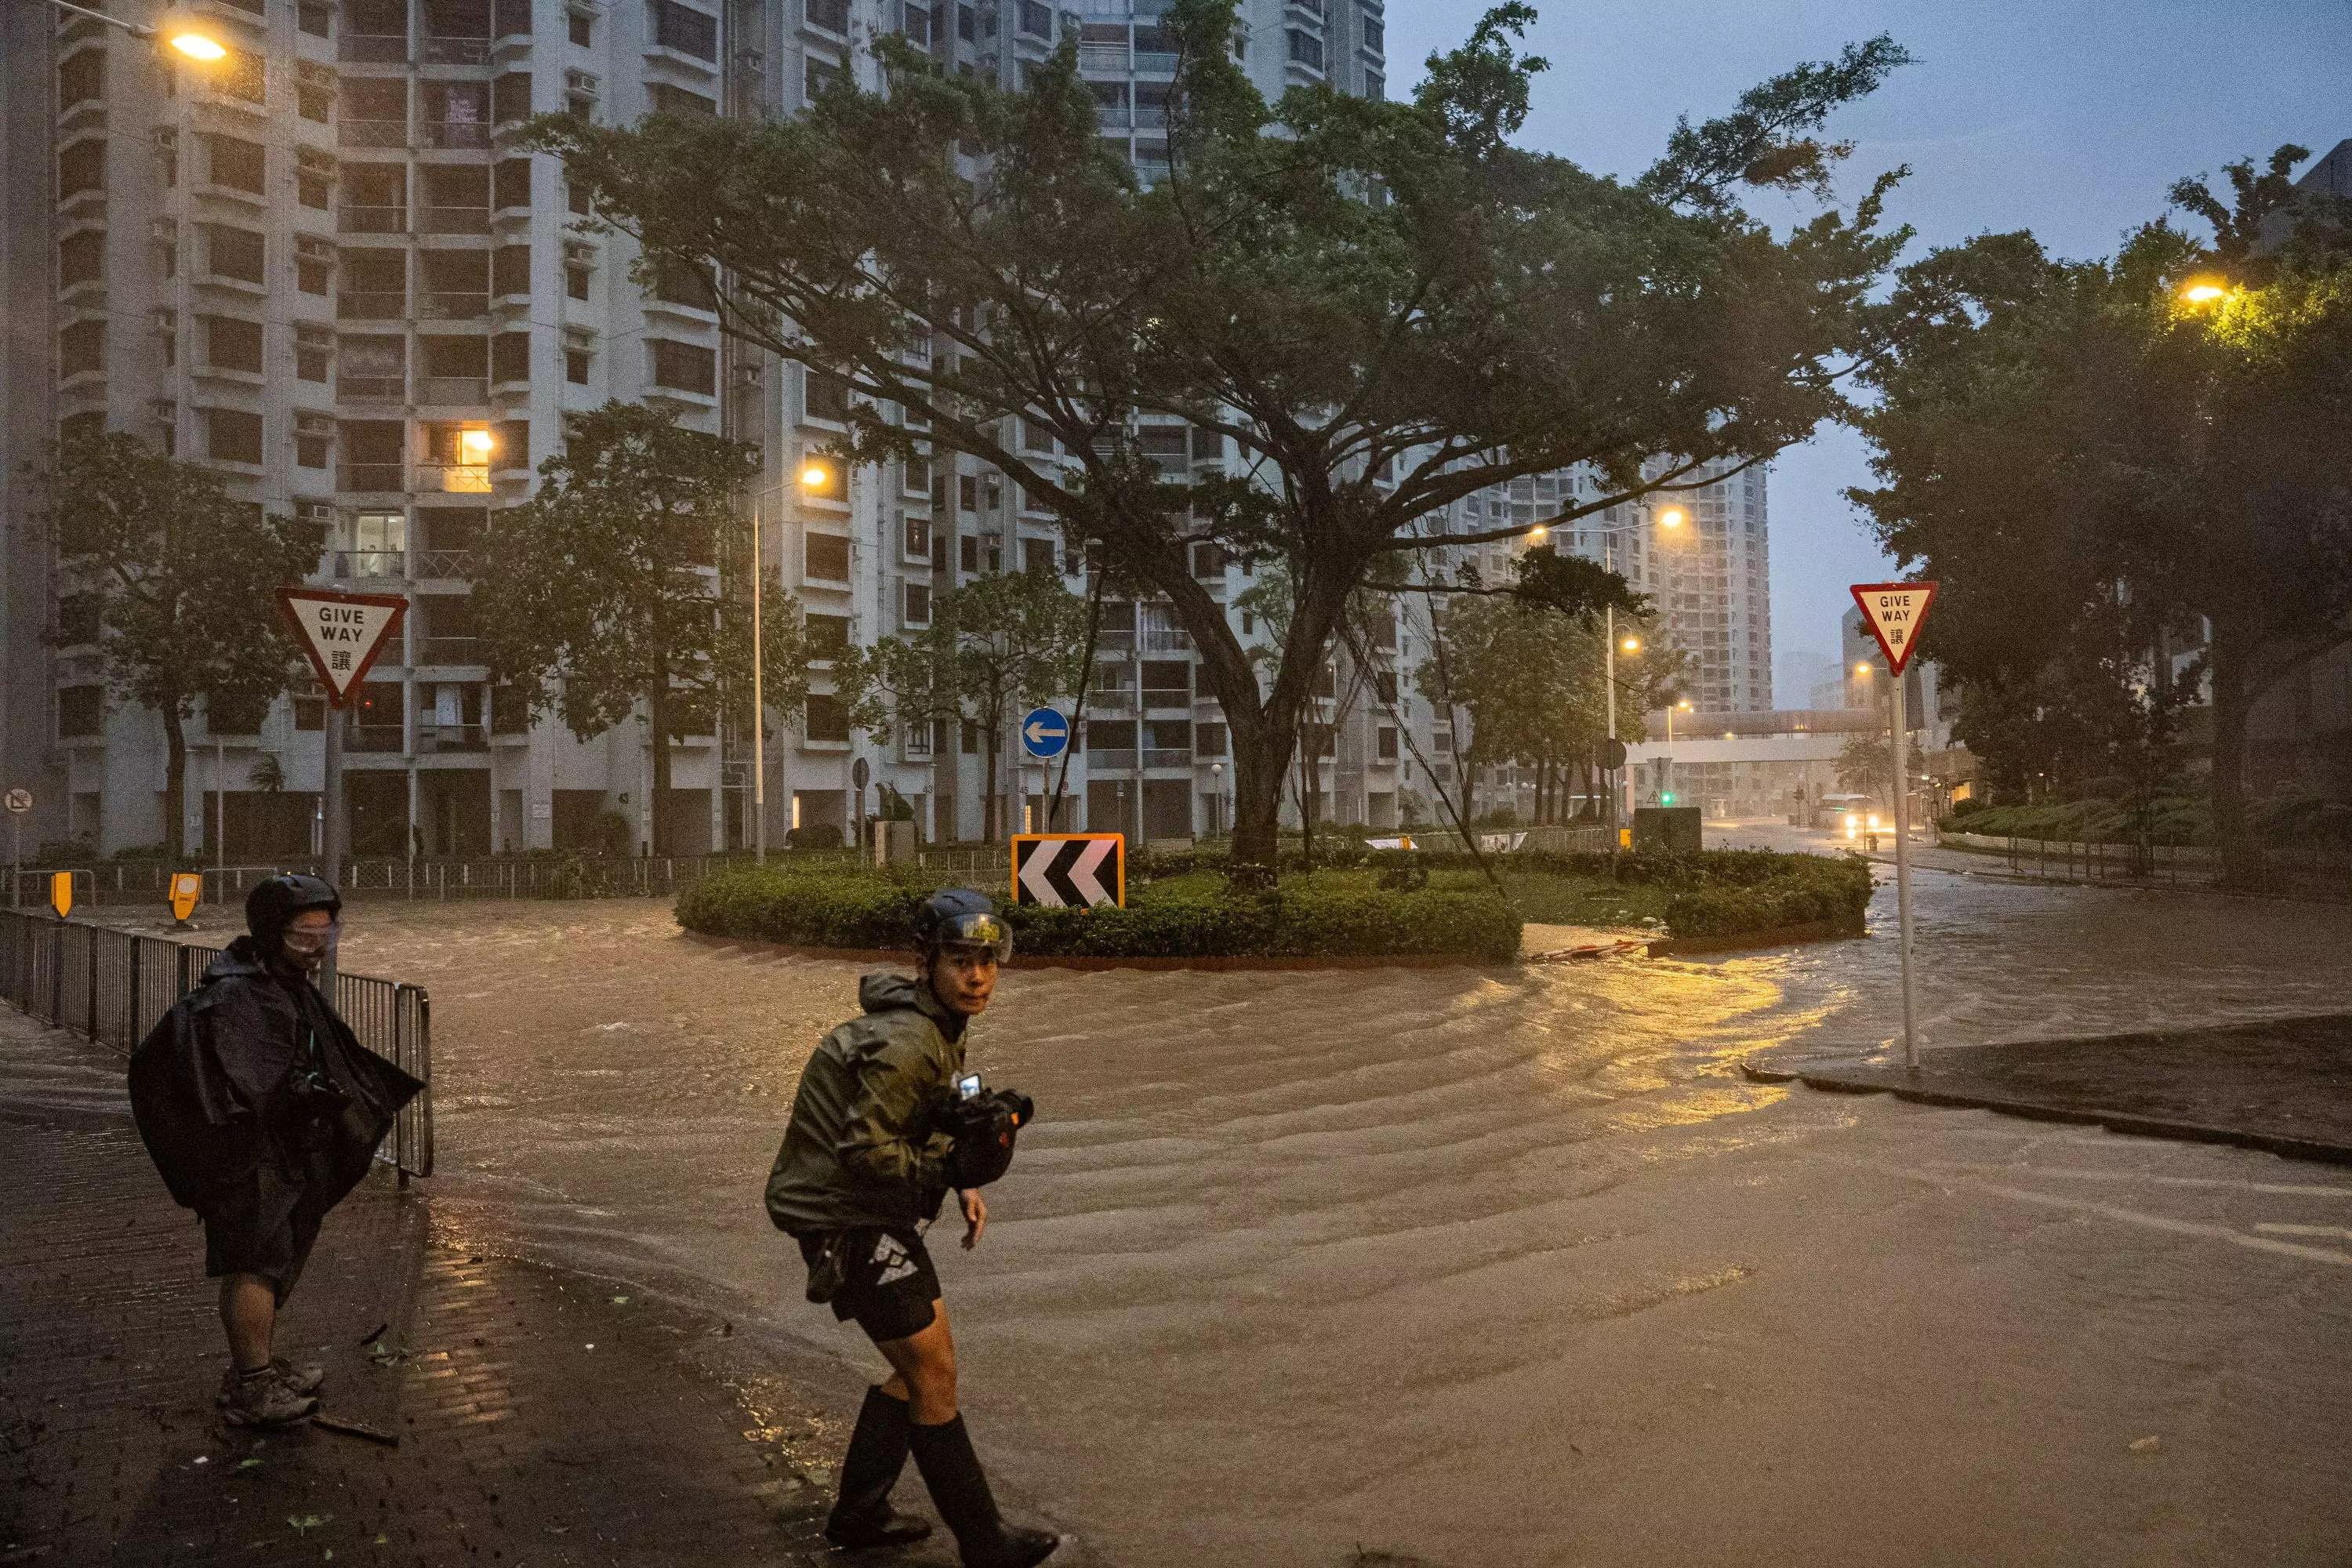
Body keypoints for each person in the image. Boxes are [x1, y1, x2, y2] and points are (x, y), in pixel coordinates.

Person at [764, 889, 1056, 1568]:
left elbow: (925, 1124)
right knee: (935, 1376)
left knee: (915, 1369)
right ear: (926, 963)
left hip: (872, 1211)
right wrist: (947, 1171)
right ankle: (985, 1545)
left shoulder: (939, 1026)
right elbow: (866, 1153)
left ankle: (860, 1515)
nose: (977, 976)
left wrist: (965, 1179)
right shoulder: (909, 1042)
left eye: (988, 961)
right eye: (960, 960)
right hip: (847, 1216)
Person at [129, 874, 423, 1428]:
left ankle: (251, 1369)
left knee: (268, 1260)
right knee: (254, 1266)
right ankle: (253, 1387)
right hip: (249, 1159)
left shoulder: (276, 979)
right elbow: (251, 1080)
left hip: (274, 1153)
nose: (317, 949)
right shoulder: (243, 993)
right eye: (302, 938)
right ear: (270, 935)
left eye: (325, 935)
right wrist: (300, 1094)